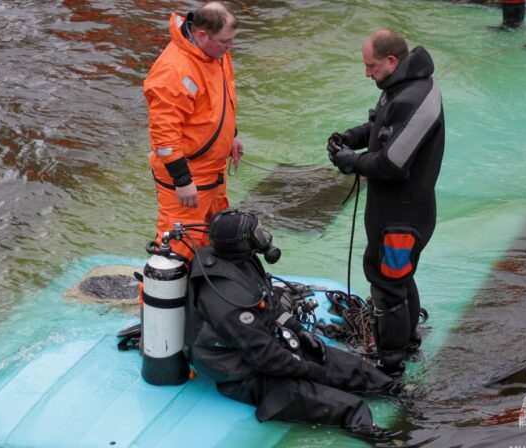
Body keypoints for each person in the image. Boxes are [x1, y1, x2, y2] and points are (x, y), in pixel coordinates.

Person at [184, 209, 398, 443]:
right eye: (255, 233)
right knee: (351, 408)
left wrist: (299, 331)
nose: (262, 236)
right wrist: (308, 370)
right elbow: (264, 357)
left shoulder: (244, 260)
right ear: (240, 243)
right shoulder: (228, 299)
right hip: (244, 374)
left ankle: (399, 392)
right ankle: (385, 438)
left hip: (270, 345)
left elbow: (268, 301)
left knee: (361, 372)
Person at [326, 29, 445, 377]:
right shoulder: (400, 85)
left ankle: (390, 365)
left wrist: (351, 161)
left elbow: (392, 164)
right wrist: (352, 137)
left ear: (392, 61)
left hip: (402, 219)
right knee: (400, 279)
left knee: (389, 287)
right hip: (395, 212)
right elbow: (384, 126)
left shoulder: (413, 98)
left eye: (371, 66)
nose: (367, 73)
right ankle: (408, 343)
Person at [144, 2, 243, 260]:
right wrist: (183, 180)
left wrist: (232, 135)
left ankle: (203, 296)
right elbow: (164, 135)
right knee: (177, 250)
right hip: (189, 178)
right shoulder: (173, 71)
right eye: (225, 41)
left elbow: (222, 97)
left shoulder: (216, 53)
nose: (230, 47)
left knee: (216, 239)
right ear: (201, 35)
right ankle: (154, 299)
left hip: (213, 172)